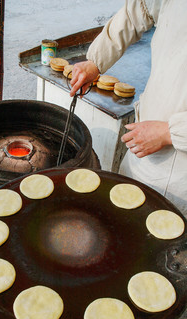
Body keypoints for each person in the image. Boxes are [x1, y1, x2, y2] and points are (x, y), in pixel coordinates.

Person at [70, 0, 187, 217]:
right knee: (122, 217)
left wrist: (169, 132)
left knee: (168, 236)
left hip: (182, 173)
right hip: (143, 138)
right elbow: (140, 9)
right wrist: (96, 60)